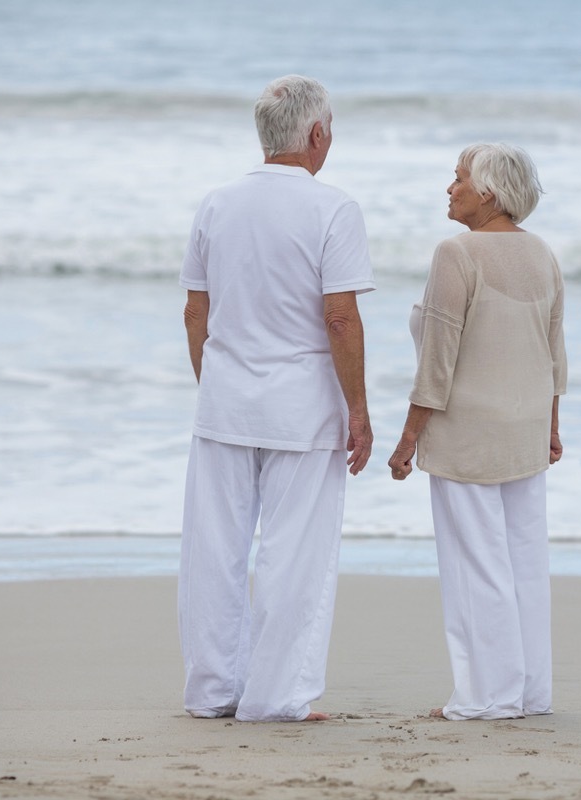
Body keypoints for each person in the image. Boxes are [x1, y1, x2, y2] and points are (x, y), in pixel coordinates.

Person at [177, 75, 375, 723]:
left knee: (214, 550)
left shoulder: (216, 204)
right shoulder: (333, 209)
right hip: (302, 409)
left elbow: (194, 314)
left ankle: (213, 692)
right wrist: (360, 410)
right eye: (331, 130)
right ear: (315, 135)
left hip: (226, 404)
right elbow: (340, 318)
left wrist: (220, 388)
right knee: (295, 553)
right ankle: (275, 697)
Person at [388, 143, 567, 720]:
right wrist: (552, 427)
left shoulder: (456, 253)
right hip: (526, 427)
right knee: (523, 563)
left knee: (476, 566)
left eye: (459, 177)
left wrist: (408, 438)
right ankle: (528, 692)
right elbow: (554, 353)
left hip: (467, 431)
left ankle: (487, 696)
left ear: (488, 192)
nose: (450, 187)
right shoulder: (542, 254)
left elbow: (438, 358)